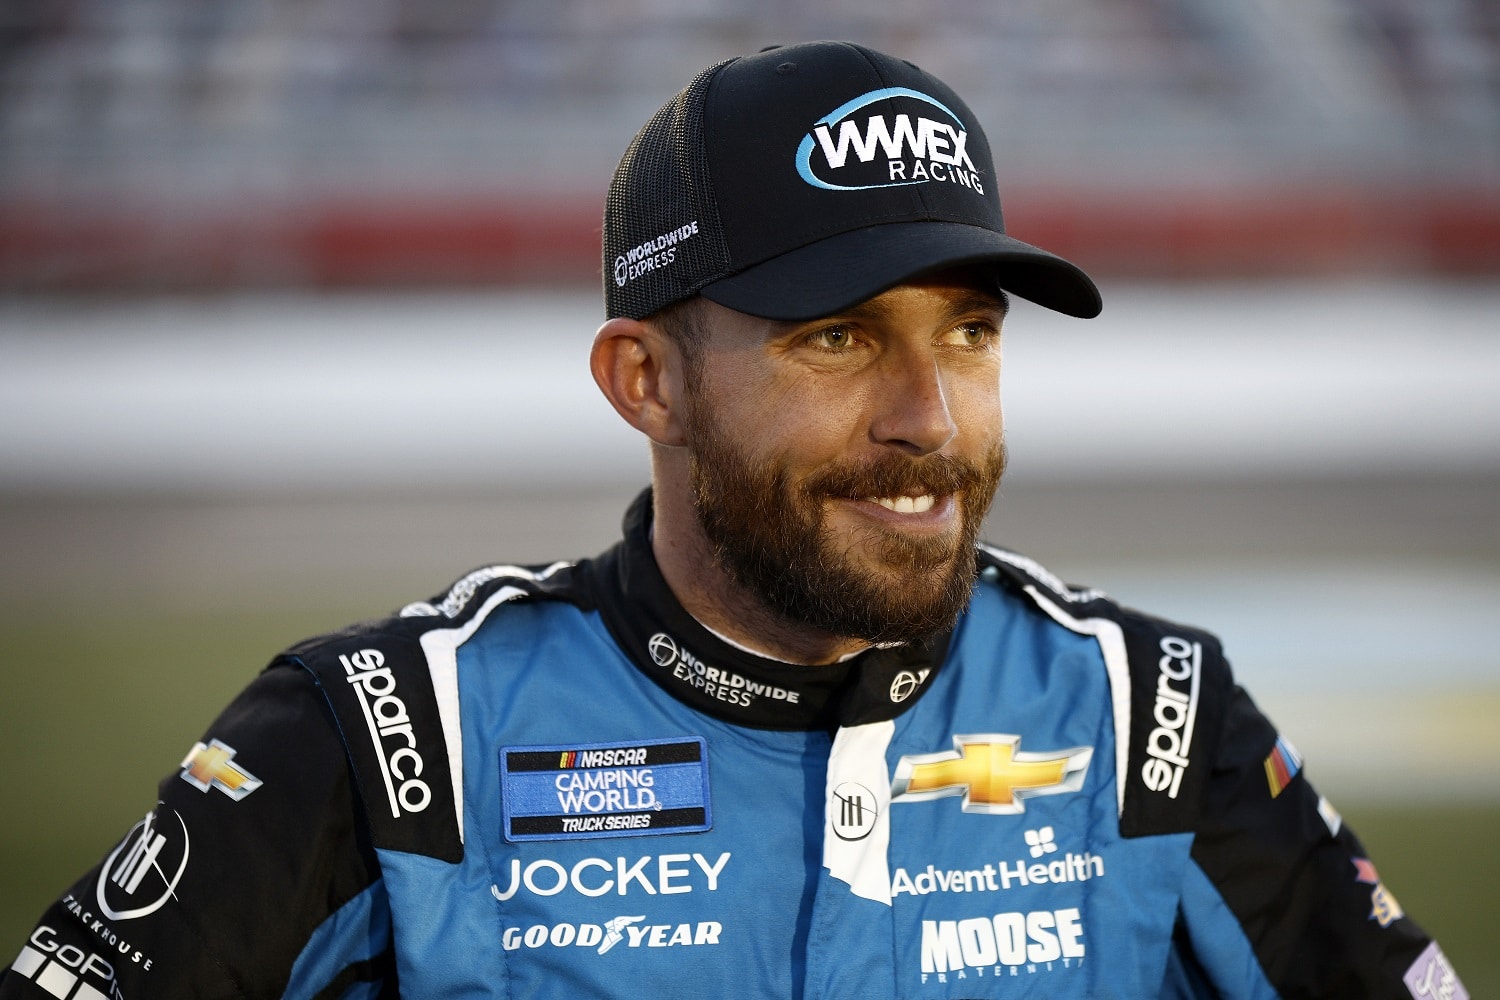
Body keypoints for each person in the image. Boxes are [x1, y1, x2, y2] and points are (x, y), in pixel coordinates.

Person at [1, 40, 1467, 1000]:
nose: (929, 420)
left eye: (967, 333)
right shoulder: (391, 744)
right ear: (646, 381)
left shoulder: (1152, 719)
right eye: (835, 339)